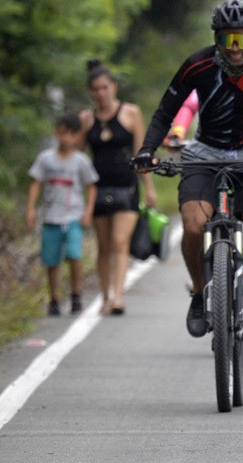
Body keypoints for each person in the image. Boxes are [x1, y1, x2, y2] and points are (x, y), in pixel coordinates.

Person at [132, 0, 243, 363]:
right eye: (228, 39)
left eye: (241, 39)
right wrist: (147, 149)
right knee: (193, 225)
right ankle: (198, 291)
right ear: (217, 39)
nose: (235, 49)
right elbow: (165, 111)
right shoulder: (198, 64)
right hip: (204, 153)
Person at [80, 60, 157, 316]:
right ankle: (104, 296)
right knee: (103, 246)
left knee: (119, 240)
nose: (101, 93)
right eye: (96, 89)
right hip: (98, 189)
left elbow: (140, 152)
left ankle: (118, 297)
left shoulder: (130, 113)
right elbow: (79, 158)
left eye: (105, 87)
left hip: (127, 187)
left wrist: (149, 188)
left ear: (113, 86)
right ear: (90, 91)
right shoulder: (86, 119)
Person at [26, 113, 99, 316]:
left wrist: (88, 211)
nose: (65, 138)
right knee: (51, 260)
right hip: (51, 216)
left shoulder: (81, 161)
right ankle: (54, 298)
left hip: (73, 215)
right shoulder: (45, 159)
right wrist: (31, 209)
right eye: (62, 133)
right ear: (56, 132)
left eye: (70, 134)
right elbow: (36, 183)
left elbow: (91, 186)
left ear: (76, 136)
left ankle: (76, 295)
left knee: (74, 255)